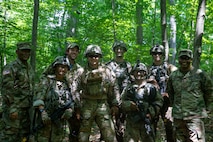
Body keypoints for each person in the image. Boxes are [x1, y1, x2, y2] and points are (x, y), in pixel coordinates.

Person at [73, 44, 120, 142]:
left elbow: (114, 87)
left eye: (96, 56)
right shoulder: (81, 72)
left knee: (110, 135)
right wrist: (77, 106)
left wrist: (115, 104)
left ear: (99, 57)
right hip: (87, 105)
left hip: (103, 104)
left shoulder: (107, 71)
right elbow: (75, 90)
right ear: (87, 57)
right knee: (83, 136)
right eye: (91, 56)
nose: (94, 58)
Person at [167, 49, 213, 142]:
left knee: (195, 140)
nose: (184, 61)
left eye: (187, 58)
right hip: (179, 116)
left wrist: (209, 107)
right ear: (178, 60)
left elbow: (209, 91)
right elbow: (171, 93)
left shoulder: (200, 74)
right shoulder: (173, 76)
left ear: (191, 59)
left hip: (195, 115)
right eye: (182, 58)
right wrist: (174, 107)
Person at [42, 42, 83, 142]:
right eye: (72, 50)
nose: (74, 52)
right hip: (57, 102)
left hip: (73, 102)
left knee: (74, 129)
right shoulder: (59, 62)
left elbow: (82, 86)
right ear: (67, 51)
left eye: (76, 50)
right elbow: (44, 76)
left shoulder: (80, 69)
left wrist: (77, 107)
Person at [33, 57, 74, 142]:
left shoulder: (67, 83)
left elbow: (72, 100)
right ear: (55, 67)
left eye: (65, 67)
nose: (62, 69)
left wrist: (70, 110)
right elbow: (39, 98)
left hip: (62, 123)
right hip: (46, 120)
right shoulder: (47, 81)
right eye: (60, 66)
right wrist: (43, 112)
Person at [121, 61, 163, 142]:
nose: (139, 74)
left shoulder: (151, 88)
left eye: (141, 72)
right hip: (131, 123)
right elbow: (121, 102)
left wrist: (151, 112)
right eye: (136, 71)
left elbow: (159, 101)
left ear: (145, 73)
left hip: (147, 121)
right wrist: (129, 105)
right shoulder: (128, 88)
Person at [1, 42, 34, 142]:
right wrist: (13, 108)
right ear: (17, 52)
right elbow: (6, 89)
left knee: (23, 136)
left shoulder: (29, 68)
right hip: (14, 109)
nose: (26, 53)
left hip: (26, 109)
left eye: (28, 51)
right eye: (23, 51)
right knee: (10, 135)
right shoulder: (11, 67)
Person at [148, 44, 177, 142]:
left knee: (169, 125)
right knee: (151, 126)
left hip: (167, 101)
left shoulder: (169, 67)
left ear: (163, 54)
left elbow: (180, 76)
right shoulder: (148, 69)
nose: (157, 55)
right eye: (155, 53)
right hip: (153, 102)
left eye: (159, 53)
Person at [106, 40, 132, 142]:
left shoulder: (128, 65)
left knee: (122, 122)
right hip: (111, 98)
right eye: (117, 49)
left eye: (121, 49)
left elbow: (132, 80)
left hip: (125, 97)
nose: (119, 50)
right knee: (109, 123)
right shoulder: (108, 65)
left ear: (124, 51)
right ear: (114, 50)